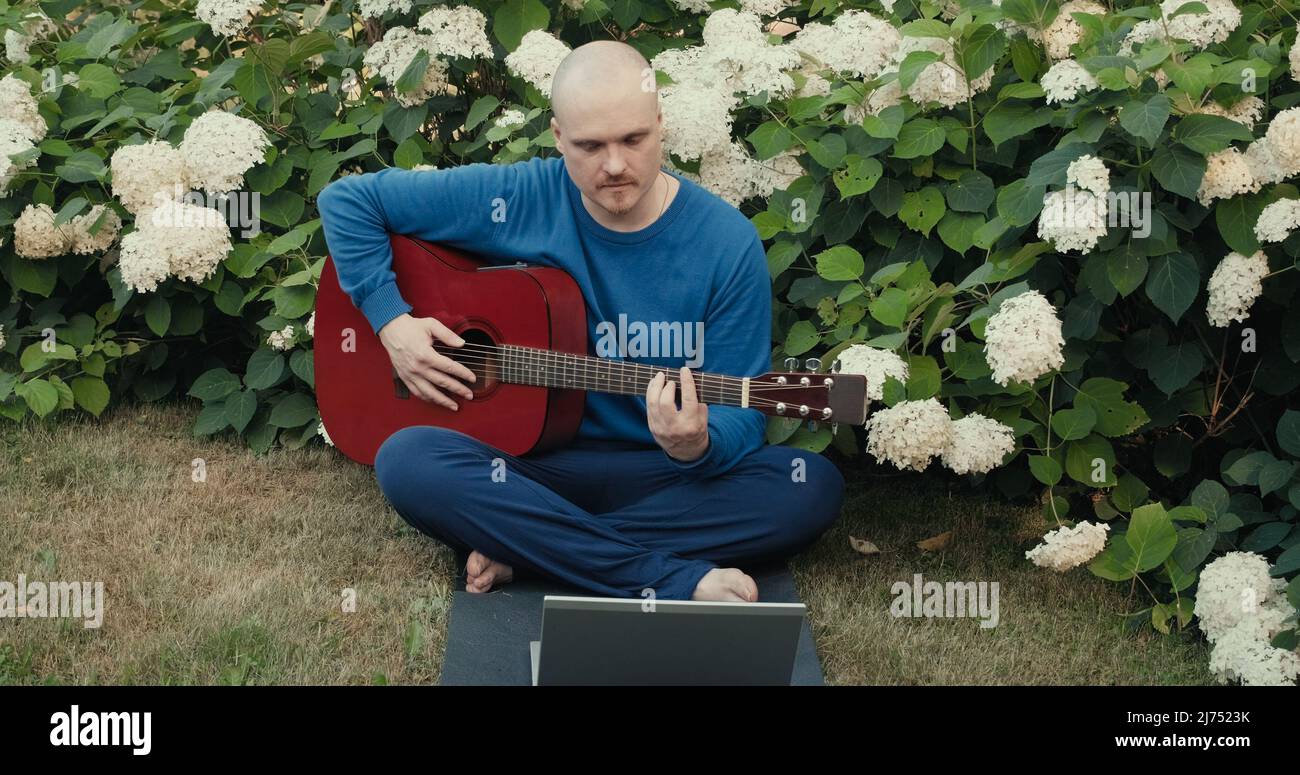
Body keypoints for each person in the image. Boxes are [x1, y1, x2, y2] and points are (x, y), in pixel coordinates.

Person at [317, 40, 843, 603]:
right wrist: (392, 322)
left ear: (660, 124)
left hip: (666, 479)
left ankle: (535, 550)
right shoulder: (520, 195)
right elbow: (348, 203)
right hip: (530, 468)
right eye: (590, 146)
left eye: (633, 140)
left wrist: (697, 445)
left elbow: (742, 416)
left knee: (806, 487)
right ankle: (666, 575)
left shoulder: (726, 243)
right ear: (558, 136)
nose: (614, 165)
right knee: (407, 461)